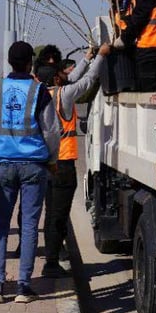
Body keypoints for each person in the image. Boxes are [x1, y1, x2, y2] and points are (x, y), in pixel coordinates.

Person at [0, 41, 60, 304]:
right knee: (29, 225)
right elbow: (50, 131)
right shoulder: (40, 91)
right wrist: (53, 159)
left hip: (4, 165)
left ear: (9, 62)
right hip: (34, 164)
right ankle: (24, 286)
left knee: (0, 224)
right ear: (29, 63)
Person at [39, 45, 110, 278]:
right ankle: (51, 262)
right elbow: (88, 81)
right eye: (62, 73)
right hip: (63, 163)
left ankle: (53, 253)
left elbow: (74, 78)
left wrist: (86, 58)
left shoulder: (39, 95)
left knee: (51, 213)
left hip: (44, 164)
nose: (65, 74)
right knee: (59, 215)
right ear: (57, 78)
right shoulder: (63, 95)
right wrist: (100, 57)